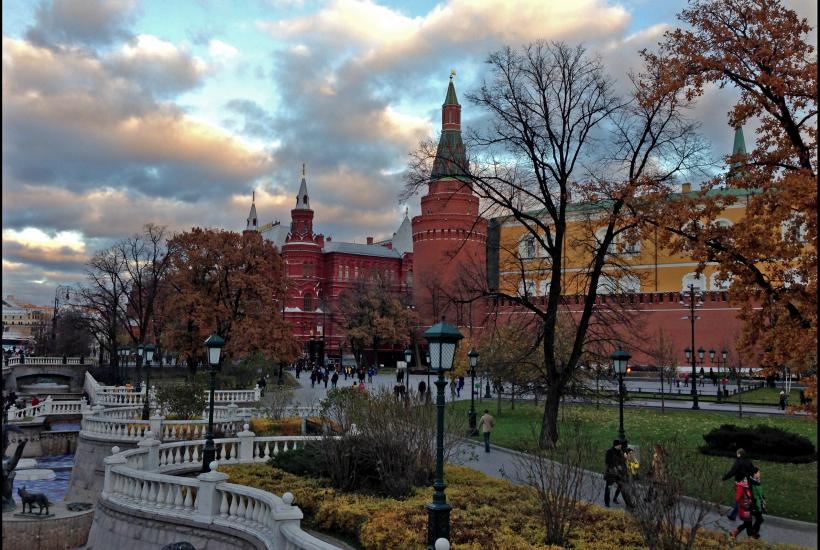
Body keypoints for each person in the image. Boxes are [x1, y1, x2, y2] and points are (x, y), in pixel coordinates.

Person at [722, 448, 755, 520]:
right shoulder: (749, 462)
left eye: (737, 453)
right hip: (748, 483)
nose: (736, 455)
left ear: (739, 454)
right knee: (745, 499)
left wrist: (724, 478)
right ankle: (741, 515)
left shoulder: (738, 462)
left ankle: (734, 515)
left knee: (739, 499)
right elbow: (753, 472)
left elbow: (732, 472)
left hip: (740, 483)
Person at [604, 440, 631, 508]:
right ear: (616, 445)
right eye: (619, 445)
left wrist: (625, 459)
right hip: (611, 473)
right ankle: (607, 501)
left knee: (621, 487)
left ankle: (617, 499)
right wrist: (615, 467)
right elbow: (608, 462)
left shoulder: (620, 451)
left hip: (619, 473)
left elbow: (622, 461)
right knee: (608, 488)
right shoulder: (609, 451)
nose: (621, 446)